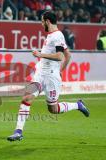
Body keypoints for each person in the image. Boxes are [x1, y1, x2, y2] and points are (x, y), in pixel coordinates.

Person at [7, 11, 90, 142]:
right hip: (40, 74)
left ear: (47, 21)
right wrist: (61, 70)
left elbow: (60, 56)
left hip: (51, 78)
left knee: (53, 109)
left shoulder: (57, 36)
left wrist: (41, 55)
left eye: (42, 21)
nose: (41, 24)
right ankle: (18, 131)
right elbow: (68, 55)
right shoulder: (54, 35)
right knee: (27, 97)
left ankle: (78, 105)